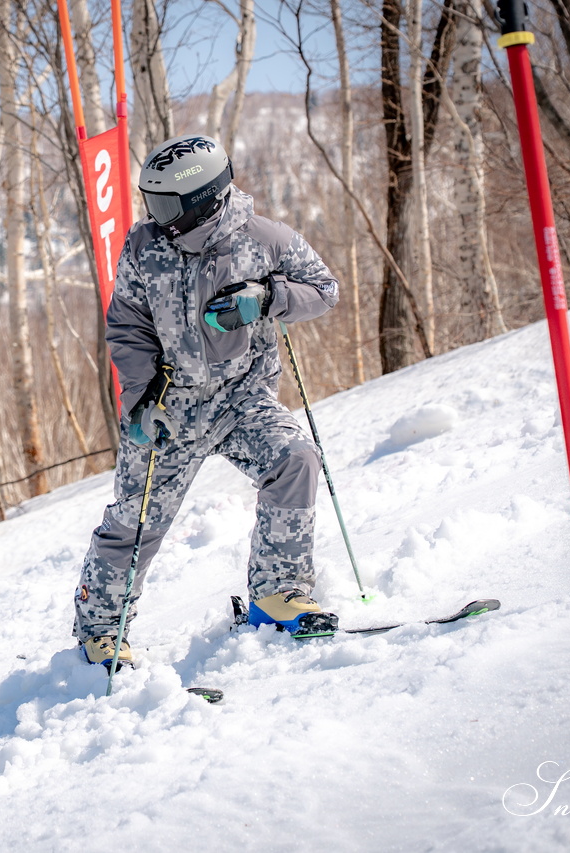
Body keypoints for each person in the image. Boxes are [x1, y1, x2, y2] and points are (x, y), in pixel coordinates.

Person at [74, 134, 341, 668]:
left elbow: (324, 289)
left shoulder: (266, 240)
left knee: (296, 459)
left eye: (169, 205)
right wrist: (142, 396)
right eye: (154, 204)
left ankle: (278, 592)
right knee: (137, 517)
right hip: (170, 406)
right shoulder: (144, 248)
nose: (159, 217)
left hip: (243, 397)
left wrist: (268, 298)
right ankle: (101, 630)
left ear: (206, 197)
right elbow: (126, 325)